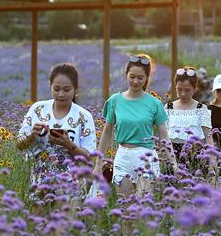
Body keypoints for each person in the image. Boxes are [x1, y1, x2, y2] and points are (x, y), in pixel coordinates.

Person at [95, 54, 176, 197]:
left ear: (147, 78)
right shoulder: (115, 101)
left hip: (146, 158)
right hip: (123, 157)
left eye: (140, 78)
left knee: (143, 204)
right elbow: (107, 133)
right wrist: (98, 163)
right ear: (126, 74)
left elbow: (164, 135)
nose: (135, 81)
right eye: (132, 76)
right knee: (126, 206)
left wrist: (173, 162)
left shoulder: (154, 103)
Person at [17, 63, 97, 202]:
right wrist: (32, 136)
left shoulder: (83, 116)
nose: (61, 94)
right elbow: (20, 145)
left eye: (67, 90)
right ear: (50, 86)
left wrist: (68, 144)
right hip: (40, 180)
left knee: (67, 215)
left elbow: (90, 158)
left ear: (75, 89)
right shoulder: (38, 109)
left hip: (72, 183)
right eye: (56, 89)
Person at [166, 66, 214, 175]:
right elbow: (165, 138)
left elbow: (208, 138)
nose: (183, 93)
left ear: (194, 88)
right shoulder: (168, 108)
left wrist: (212, 166)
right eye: (179, 89)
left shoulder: (201, 109)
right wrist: (173, 165)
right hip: (173, 159)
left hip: (196, 158)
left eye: (187, 90)